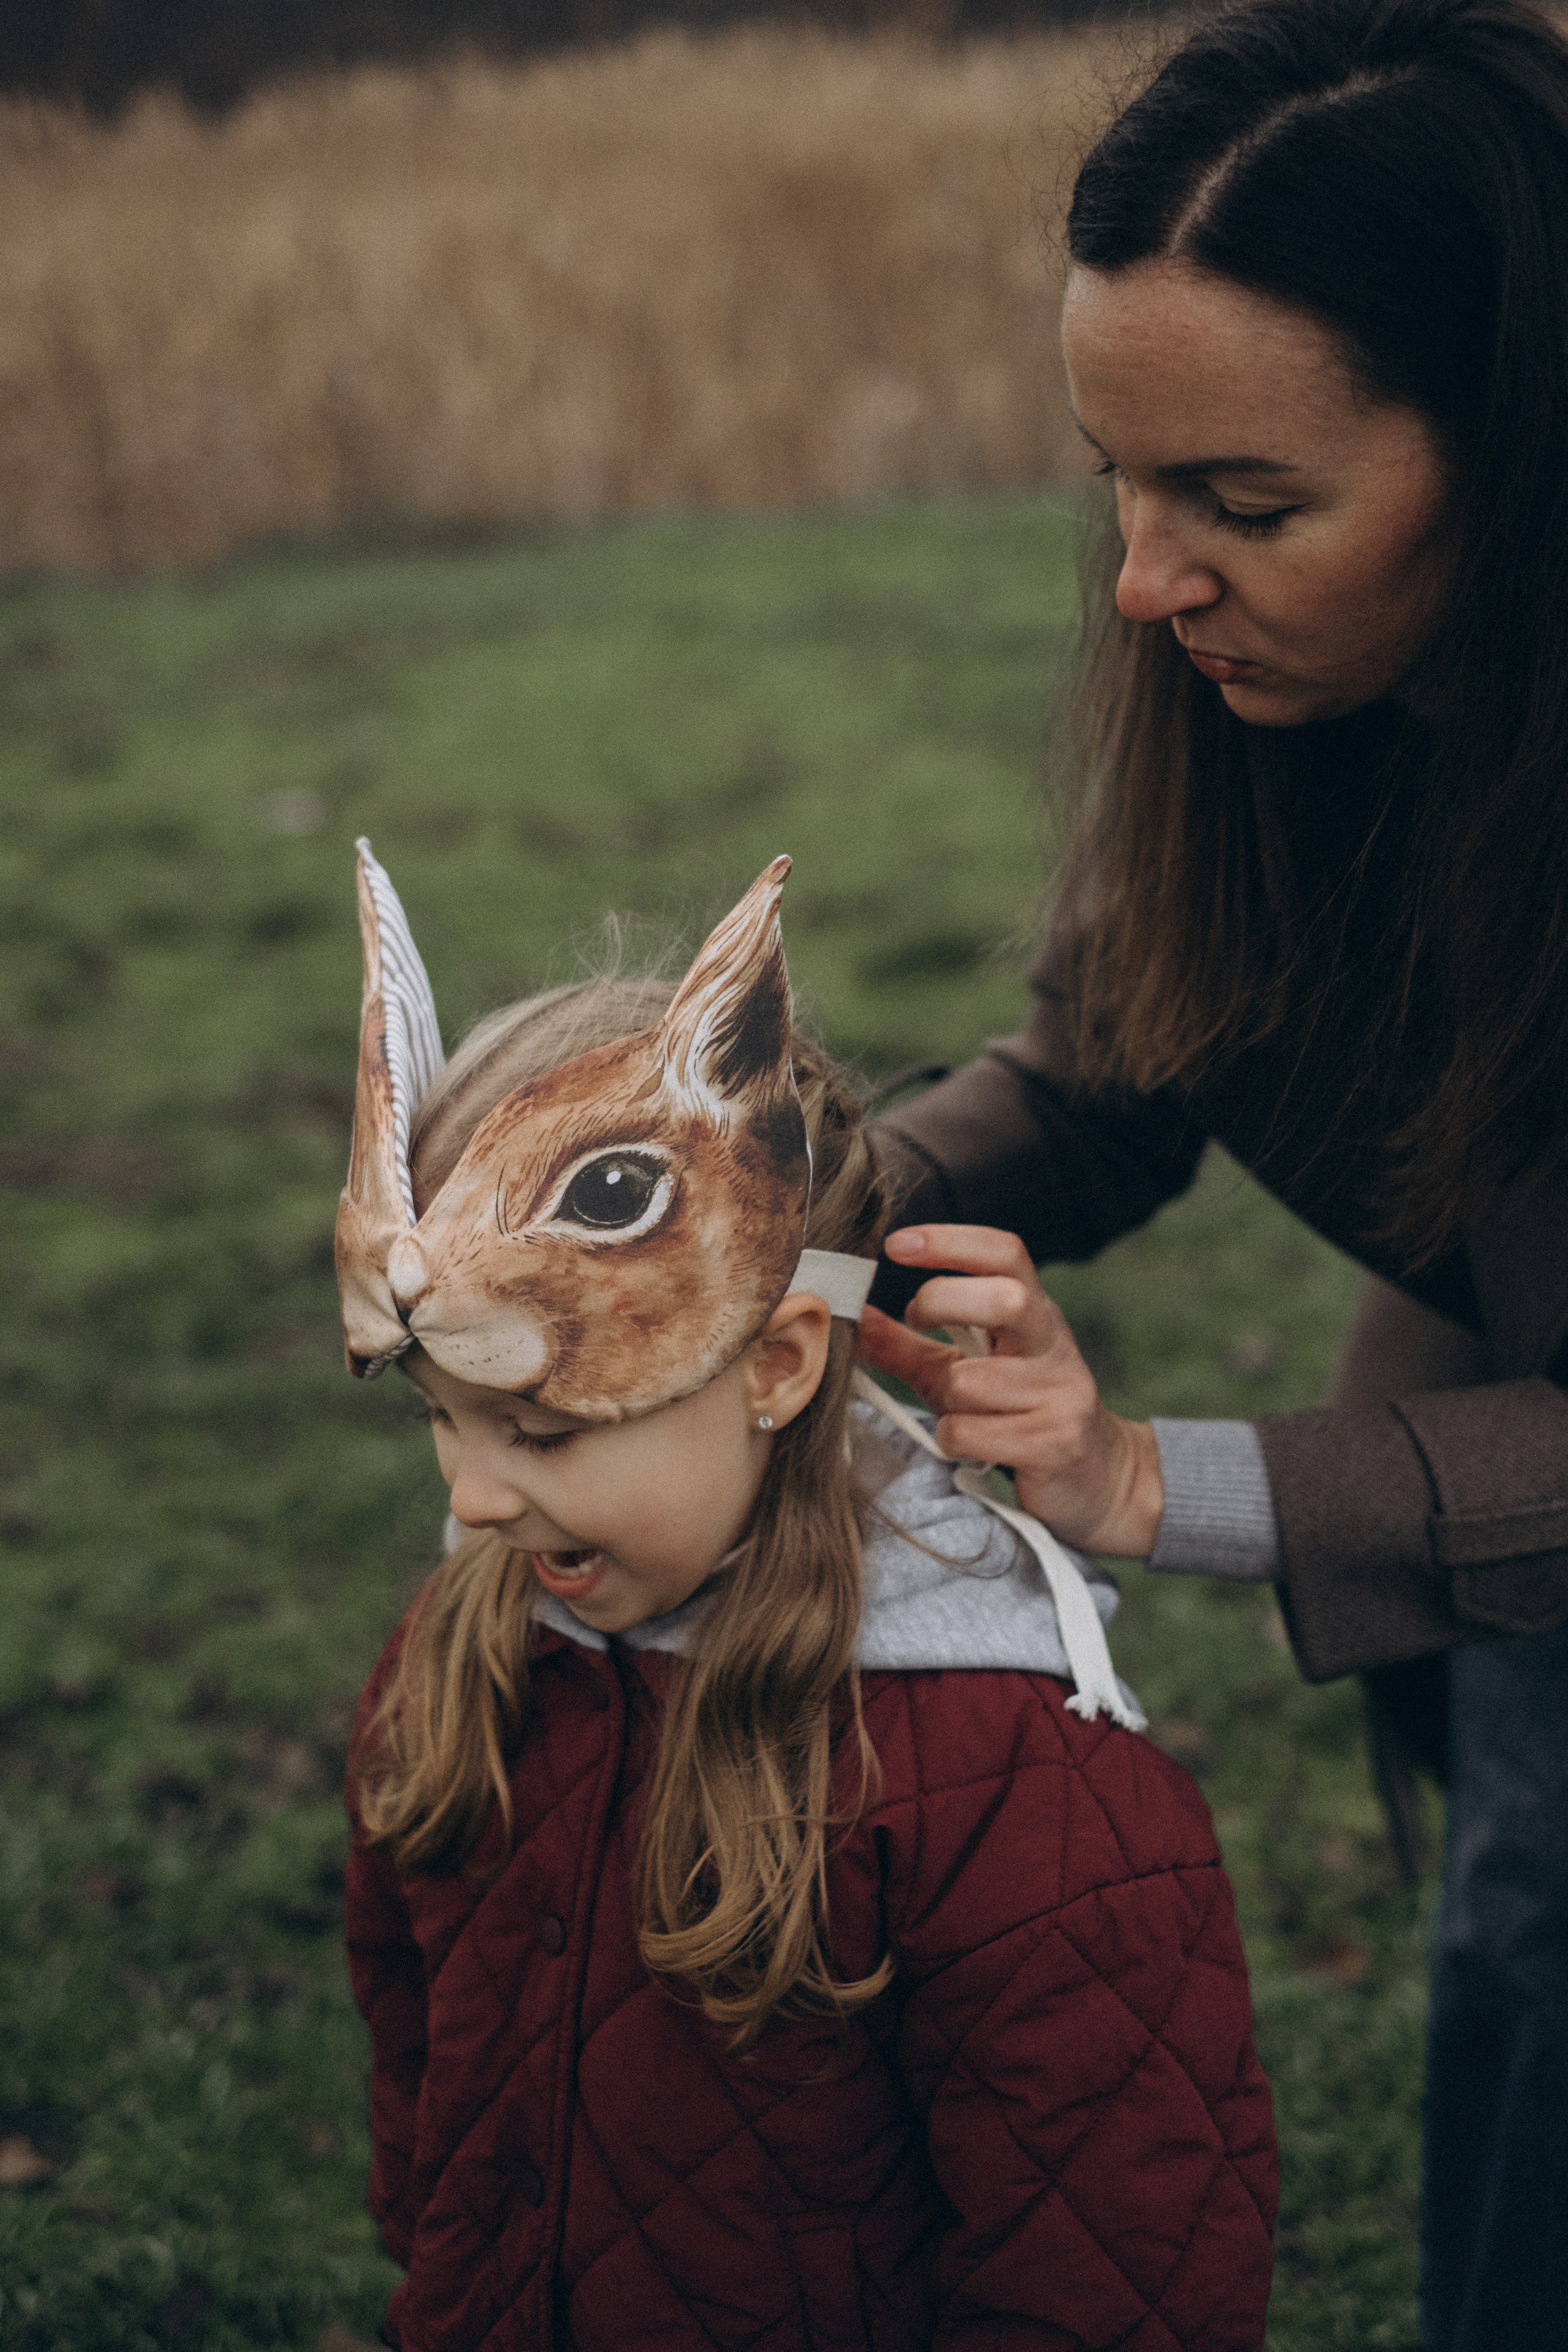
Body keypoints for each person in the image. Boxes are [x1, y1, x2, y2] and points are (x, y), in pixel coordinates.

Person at [859, 4, 1568, 2347]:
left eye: (1247, 506)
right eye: (1119, 485)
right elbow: (1107, 1067)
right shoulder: (1254, 695)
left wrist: (1157, 1480)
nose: (1151, 582)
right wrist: (784, 1194)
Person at [333, 844, 1276, 2350]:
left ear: (775, 1365)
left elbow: (1112, 2273)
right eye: (437, 1417)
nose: (471, 1498)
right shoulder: (469, 1663)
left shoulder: (1010, 1794)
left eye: (543, 1432)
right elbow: (420, 2053)